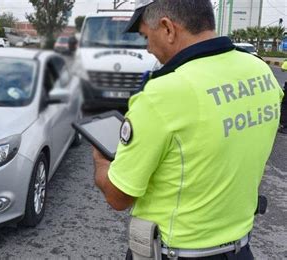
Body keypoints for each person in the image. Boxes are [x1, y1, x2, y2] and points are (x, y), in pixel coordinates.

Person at [91, 0, 284, 259]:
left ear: (168, 28)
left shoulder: (163, 94)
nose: (148, 49)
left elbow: (118, 196)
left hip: (176, 253)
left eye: (147, 37)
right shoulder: (261, 71)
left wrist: (100, 163)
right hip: (240, 249)